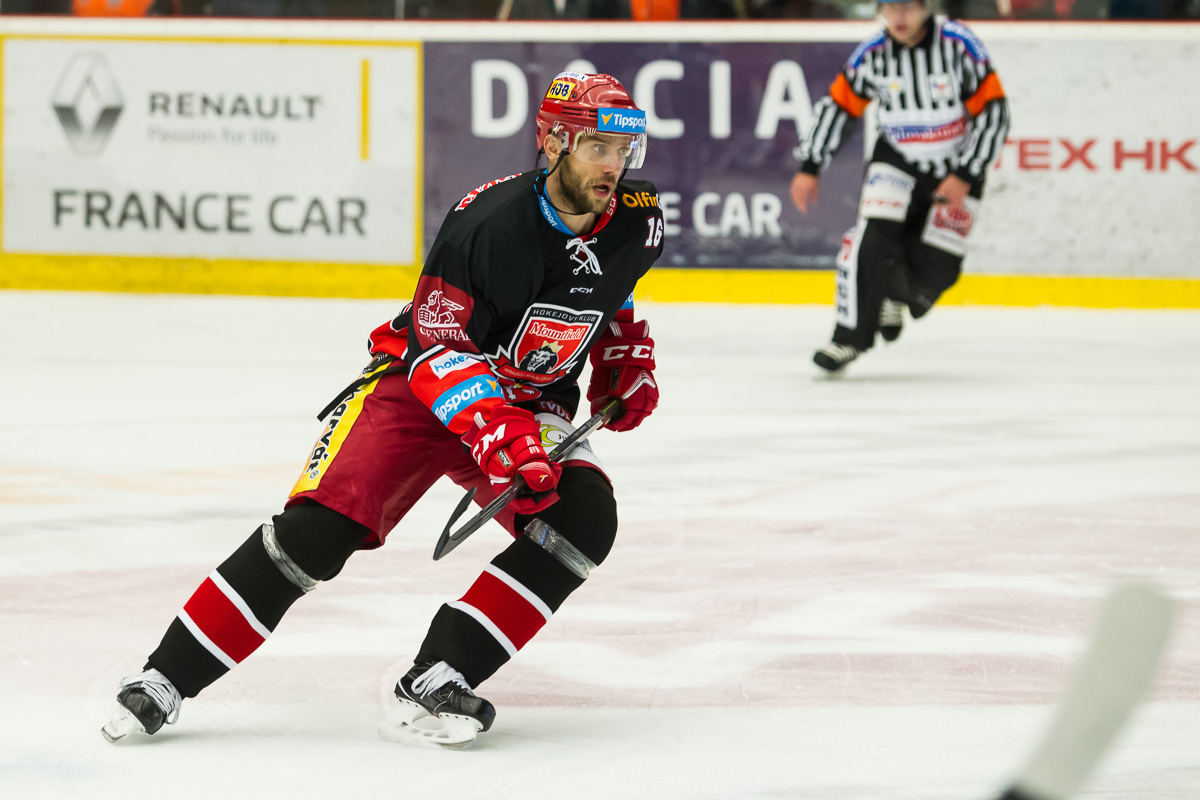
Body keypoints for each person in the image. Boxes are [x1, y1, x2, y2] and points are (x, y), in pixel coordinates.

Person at [101, 72, 664, 750]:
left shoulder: (639, 215)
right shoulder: (486, 225)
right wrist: (496, 430)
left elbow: (612, 287)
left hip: (526, 401)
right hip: (421, 387)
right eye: (598, 147)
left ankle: (439, 673)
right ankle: (165, 676)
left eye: (623, 150)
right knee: (316, 535)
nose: (613, 166)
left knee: (583, 521)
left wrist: (625, 356)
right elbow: (439, 346)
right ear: (552, 144)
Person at [791, 0, 1010, 373]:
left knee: (937, 269)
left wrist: (965, 174)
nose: (899, 17)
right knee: (872, 239)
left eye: (907, 6)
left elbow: (994, 111)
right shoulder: (872, 54)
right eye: (890, 8)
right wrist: (810, 164)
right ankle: (848, 339)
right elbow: (840, 105)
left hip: (956, 163)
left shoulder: (959, 44)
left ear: (925, 7)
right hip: (897, 158)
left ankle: (894, 294)